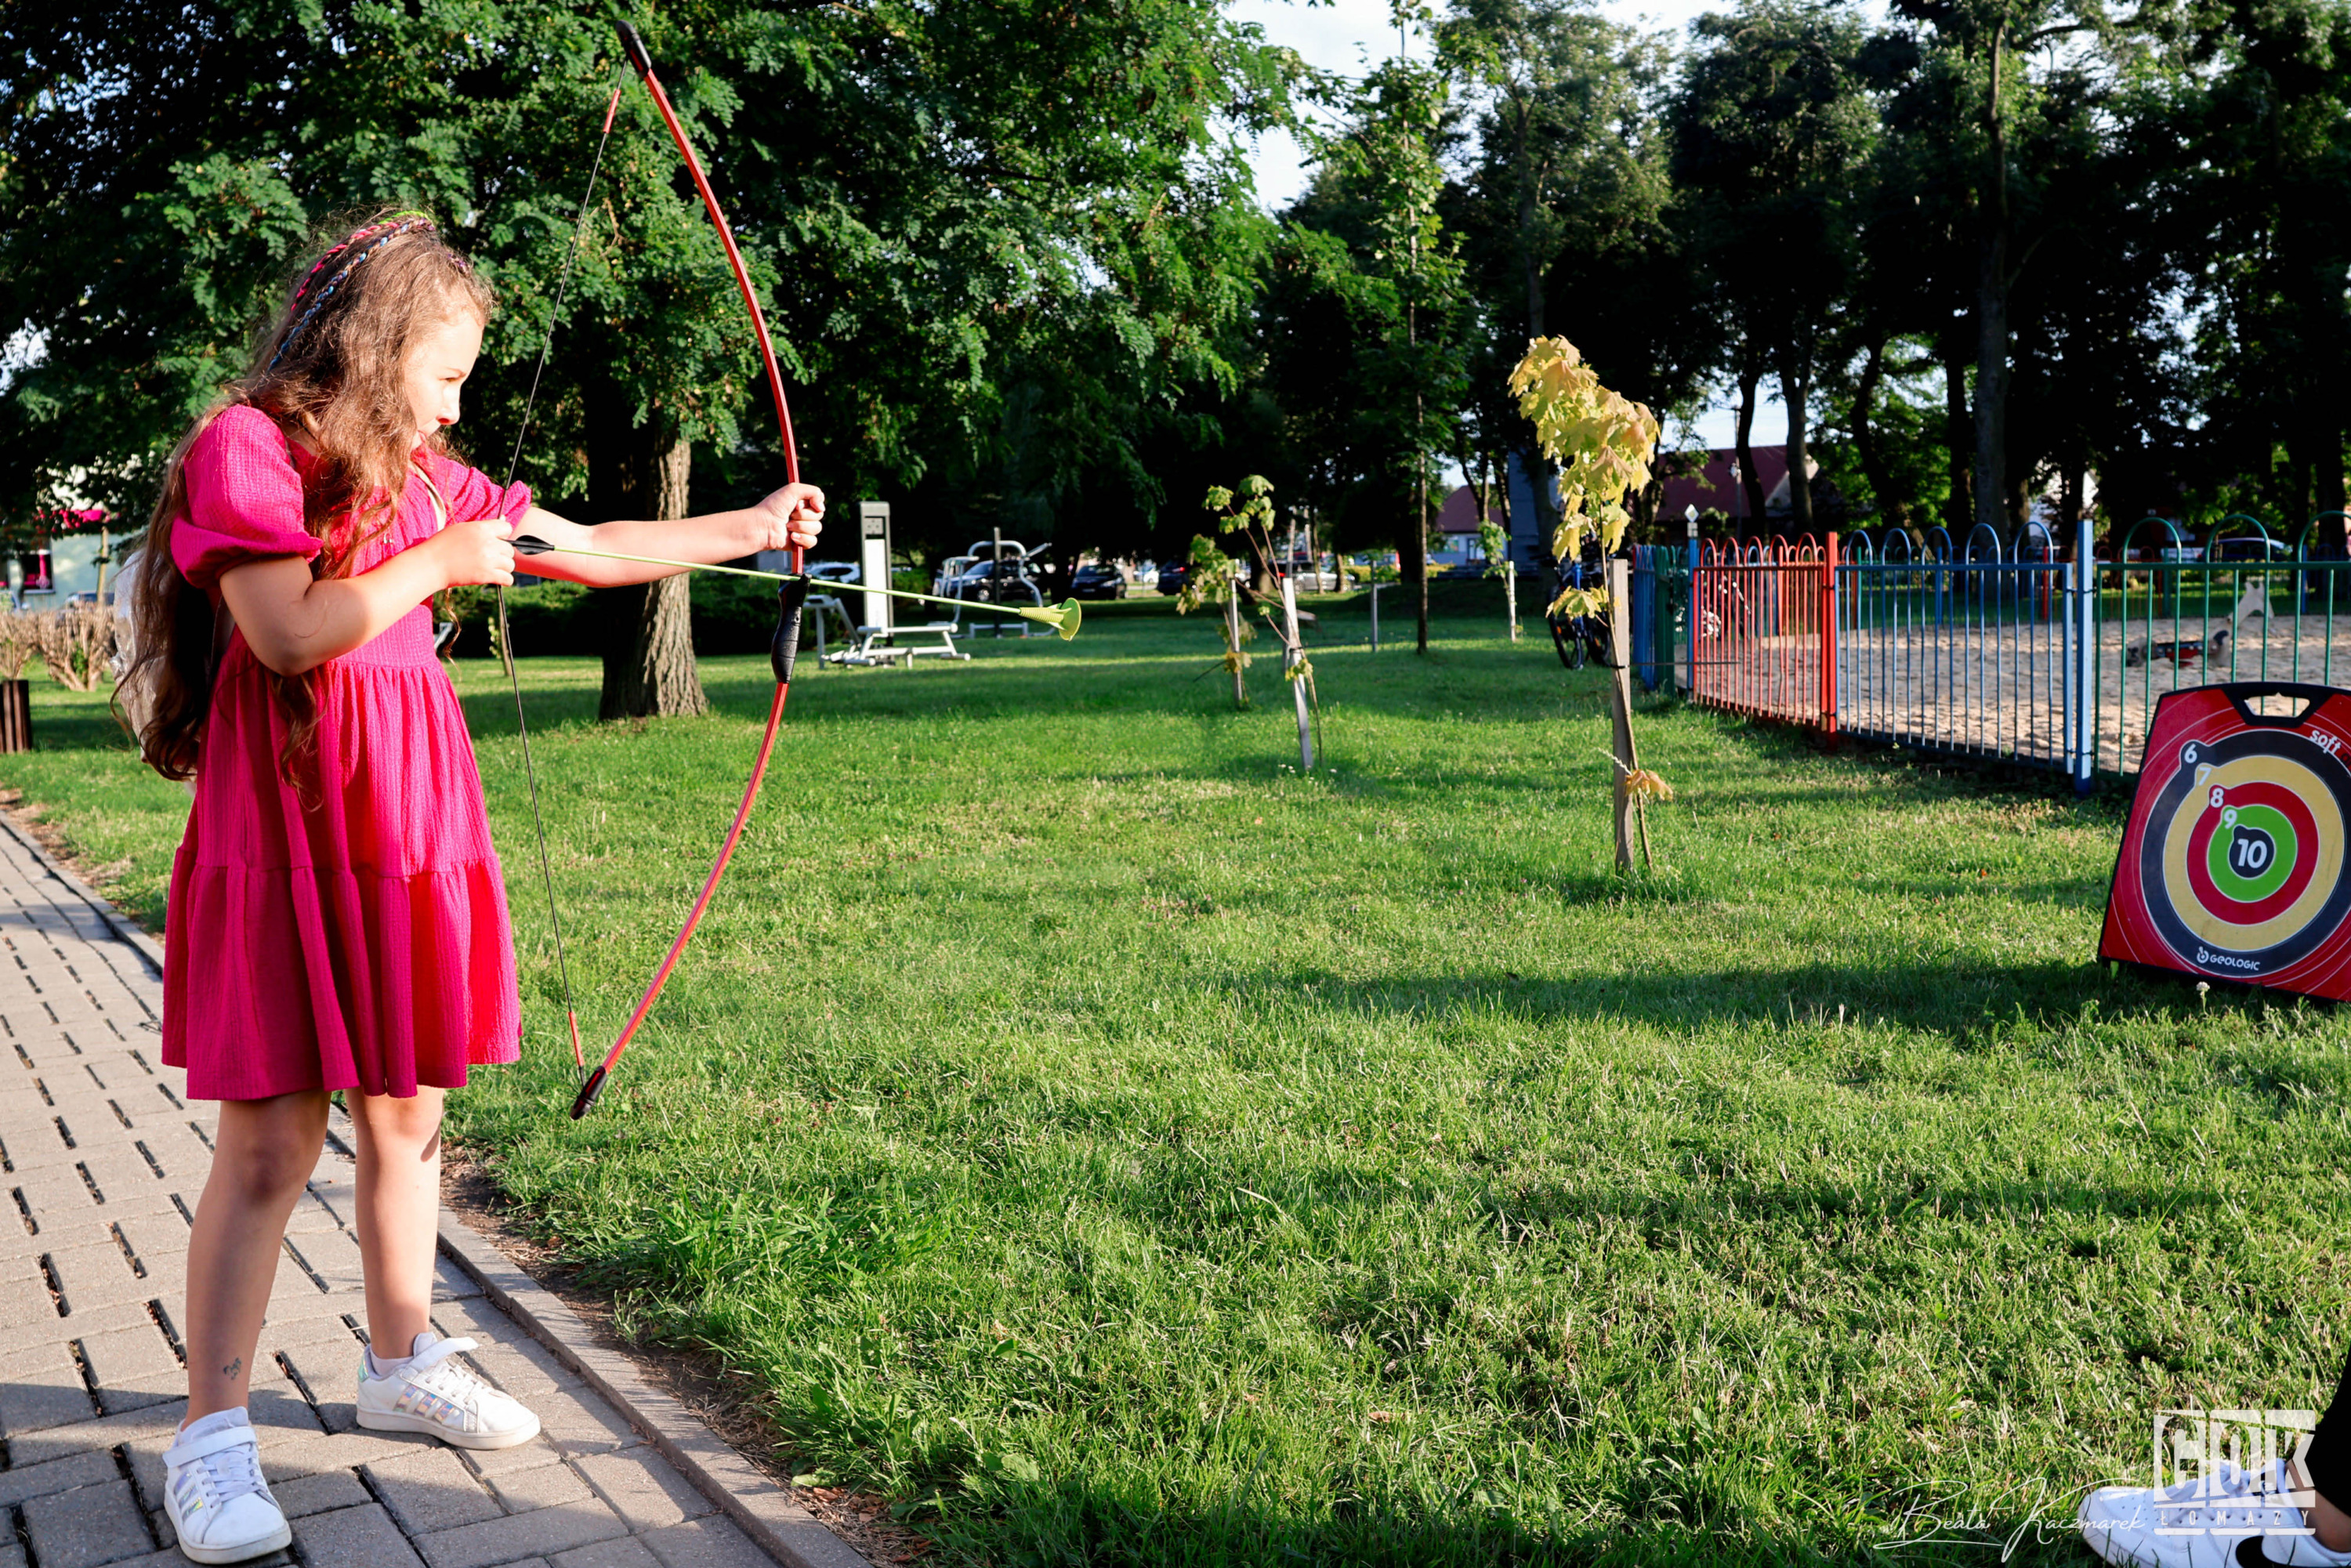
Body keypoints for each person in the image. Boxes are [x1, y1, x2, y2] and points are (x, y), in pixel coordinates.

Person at [123, 208, 823, 1565]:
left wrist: (749, 526)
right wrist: (438, 563)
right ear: (373, 348)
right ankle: (209, 1434)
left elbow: (584, 544)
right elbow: (288, 631)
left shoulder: (426, 476)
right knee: (270, 1143)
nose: (455, 406)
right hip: (289, 836)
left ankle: (401, 1362)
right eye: (443, 375)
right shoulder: (248, 448)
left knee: (409, 1114)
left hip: (405, 829)